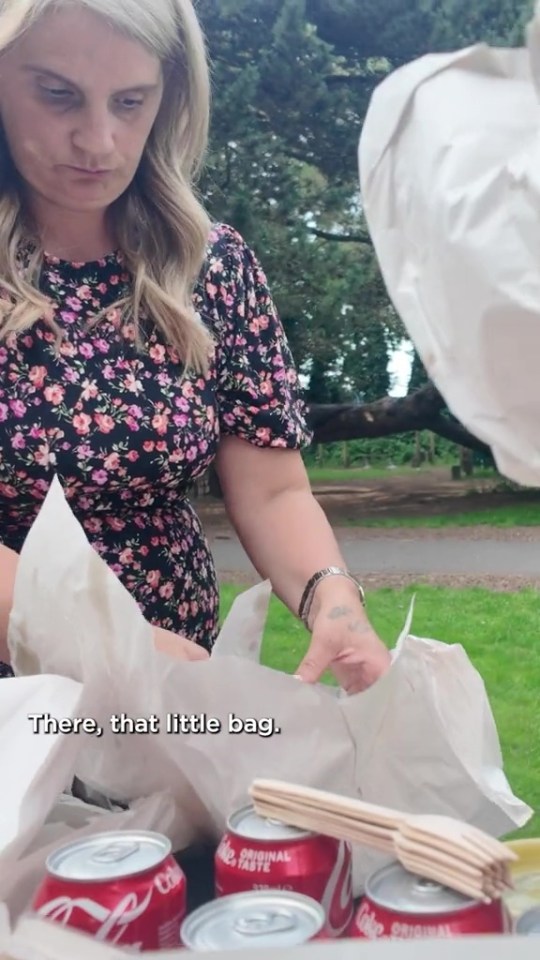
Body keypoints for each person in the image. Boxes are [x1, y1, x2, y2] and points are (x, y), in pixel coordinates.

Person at [0, 0, 391, 694]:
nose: (98, 140)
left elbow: (272, 492)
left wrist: (332, 597)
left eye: (130, 101)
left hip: (174, 707)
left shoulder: (213, 266)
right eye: (57, 94)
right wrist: (114, 645)